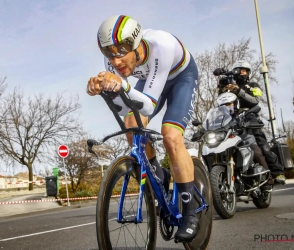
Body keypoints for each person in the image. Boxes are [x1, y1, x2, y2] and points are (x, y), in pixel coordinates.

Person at [86, 15, 199, 242]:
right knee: (130, 125)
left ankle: (190, 211)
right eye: (109, 53)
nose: (115, 61)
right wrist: (104, 91)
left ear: (136, 45)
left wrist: (122, 85)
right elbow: (122, 109)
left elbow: (147, 107)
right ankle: (160, 174)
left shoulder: (161, 45)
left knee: (171, 136)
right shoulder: (113, 62)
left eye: (120, 52)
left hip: (181, 78)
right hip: (151, 79)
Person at [219, 60, 286, 185]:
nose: (242, 73)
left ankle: (277, 172)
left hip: (250, 117)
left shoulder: (253, 85)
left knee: (262, 145)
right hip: (232, 120)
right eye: (240, 70)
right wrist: (222, 88)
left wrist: (239, 91)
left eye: (245, 70)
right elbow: (221, 104)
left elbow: (255, 100)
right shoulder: (230, 88)